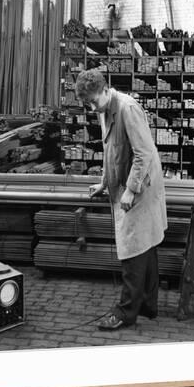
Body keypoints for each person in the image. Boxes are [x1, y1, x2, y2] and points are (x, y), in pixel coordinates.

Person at [75, 70, 168, 330]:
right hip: (129, 184)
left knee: (132, 249)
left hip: (141, 187)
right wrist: (105, 182)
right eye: (88, 104)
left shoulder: (127, 108)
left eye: (94, 101)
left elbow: (144, 153)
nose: (93, 107)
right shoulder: (104, 111)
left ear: (106, 89)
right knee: (146, 246)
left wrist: (130, 189)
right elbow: (110, 150)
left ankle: (126, 312)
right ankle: (148, 305)